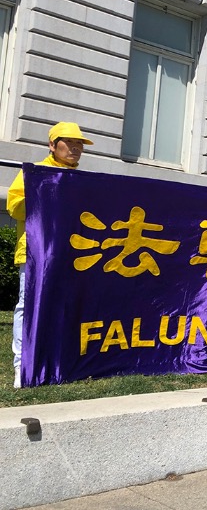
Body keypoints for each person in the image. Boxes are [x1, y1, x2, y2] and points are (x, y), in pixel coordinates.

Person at [7, 122, 93, 388]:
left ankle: (57, 358)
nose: (76, 148)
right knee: (28, 304)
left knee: (65, 303)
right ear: (53, 145)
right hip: (37, 252)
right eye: (69, 142)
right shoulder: (34, 174)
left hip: (71, 254)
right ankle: (22, 362)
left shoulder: (82, 180)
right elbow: (14, 208)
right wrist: (43, 192)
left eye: (79, 144)